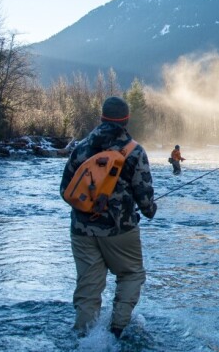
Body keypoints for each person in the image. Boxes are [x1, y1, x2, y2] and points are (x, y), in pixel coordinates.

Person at [59, 96, 157, 338]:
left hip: (81, 229)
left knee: (88, 286)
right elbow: (145, 202)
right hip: (120, 230)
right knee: (131, 274)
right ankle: (116, 330)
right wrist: (150, 209)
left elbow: (65, 190)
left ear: (102, 117)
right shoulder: (134, 151)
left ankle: (84, 337)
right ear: (126, 120)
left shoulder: (81, 148)